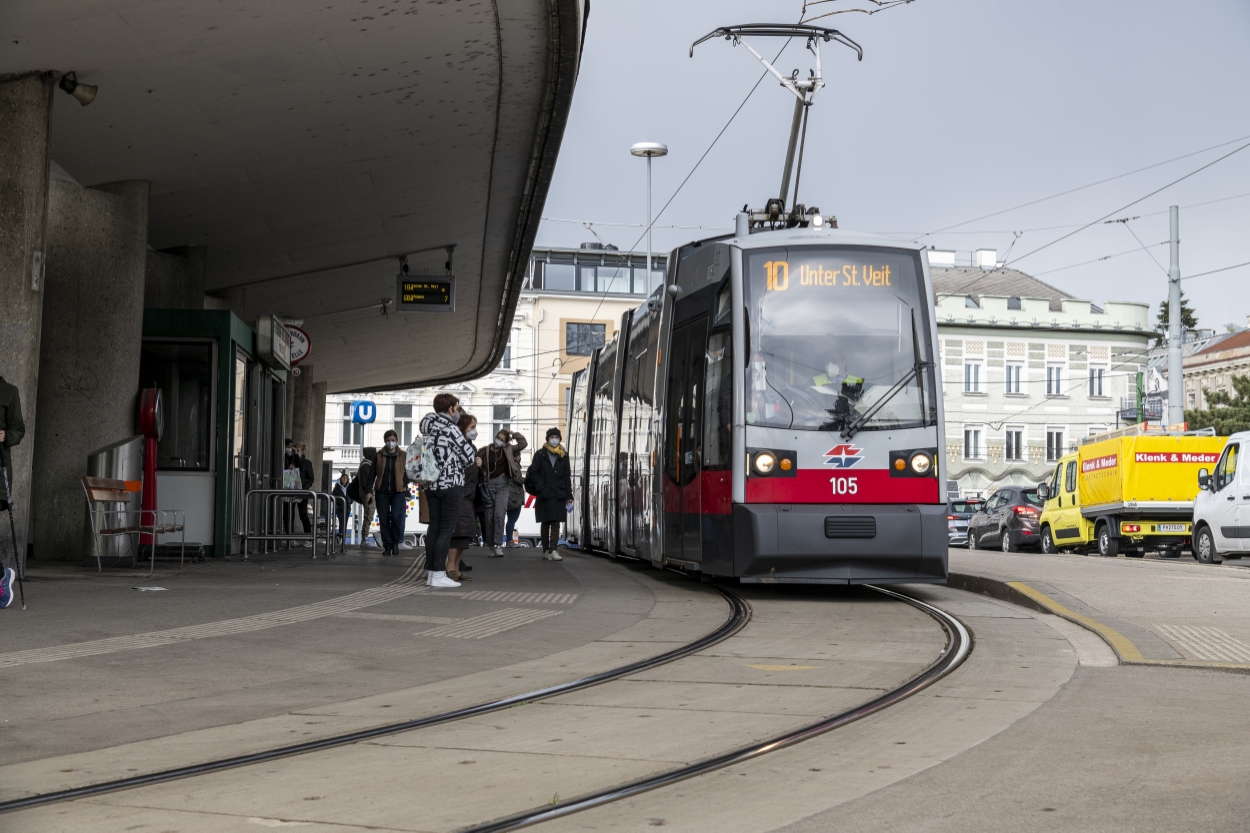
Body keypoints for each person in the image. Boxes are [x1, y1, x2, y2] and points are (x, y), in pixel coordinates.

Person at [419, 393, 476, 588]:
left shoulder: (427, 427)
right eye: (456, 408)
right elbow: (469, 457)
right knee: (446, 530)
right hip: (450, 484)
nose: (457, 412)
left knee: (434, 528)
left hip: (431, 484)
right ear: (451, 409)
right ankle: (438, 575)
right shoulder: (451, 429)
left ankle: (431, 574)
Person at [524, 427, 573, 561]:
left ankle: (553, 550)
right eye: (551, 437)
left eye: (556, 437)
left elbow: (567, 476)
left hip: (559, 494)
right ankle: (546, 550)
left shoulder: (564, 455)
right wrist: (541, 488)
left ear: (559, 439)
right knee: (545, 522)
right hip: (544, 494)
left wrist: (569, 496)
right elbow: (533, 472)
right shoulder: (540, 454)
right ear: (547, 439)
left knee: (556, 522)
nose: (554, 440)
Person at [0, 374, 26, 608]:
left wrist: (5, 435)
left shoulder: (9, 391)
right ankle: (2, 575)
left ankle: (2, 578)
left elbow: (19, 428)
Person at [481, 428, 527, 556]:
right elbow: (476, 461)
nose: (499, 441)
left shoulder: (508, 449)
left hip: (503, 485)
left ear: (506, 442)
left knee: (499, 515)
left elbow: (523, 443)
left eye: (502, 440)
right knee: (489, 517)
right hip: (489, 485)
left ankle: (498, 545)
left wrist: (512, 433)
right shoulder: (485, 450)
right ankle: (490, 546)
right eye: (498, 438)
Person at [446, 412, 481, 582]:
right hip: (459, 494)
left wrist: (478, 463)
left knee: (465, 534)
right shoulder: (457, 446)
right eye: (472, 427)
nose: (475, 431)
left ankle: (456, 568)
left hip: (468, 496)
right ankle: (450, 567)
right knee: (458, 533)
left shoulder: (471, 447)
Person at [373, 430, 408, 556]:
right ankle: (387, 546)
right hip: (381, 492)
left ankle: (395, 543)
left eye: (393, 440)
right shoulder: (379, 455)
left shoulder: (403, 455)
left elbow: (410, 471)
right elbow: (372, 474)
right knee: (384, 519)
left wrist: (405, 482)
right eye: (388, 440)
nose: (390, 443)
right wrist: (368, 492)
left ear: (397, 441)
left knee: (396, 517)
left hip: (398, 491)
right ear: (384, 441)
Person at [357, 447, 377, 547]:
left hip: (368, 493)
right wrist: (370, 493)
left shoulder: (367, 463)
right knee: (368, 514)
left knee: (369, 514)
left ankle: (365, 538)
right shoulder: (366, 465)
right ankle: (365, 538)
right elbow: (366, 482)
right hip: (368, 494)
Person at [331, 471, 350, 544]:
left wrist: (349, 501)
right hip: (339, 508)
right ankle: (340, 537)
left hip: (347, 507)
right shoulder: (337, 487)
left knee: (344, 523)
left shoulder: (349, 487)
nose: (344, 479)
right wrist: (339, 501)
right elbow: (333, 496)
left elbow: (352, 496)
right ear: (341, 479)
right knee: (342, 521)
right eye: (343, 478)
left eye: (346, 478)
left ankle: (341, 537)